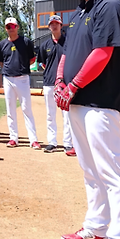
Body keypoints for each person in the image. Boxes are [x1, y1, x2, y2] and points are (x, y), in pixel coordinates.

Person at [56, 0, 120, 239]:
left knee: (110, 172)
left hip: (100, 102)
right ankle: (96, 227)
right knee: (90, 170)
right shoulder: (79, 11)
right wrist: (61, 80)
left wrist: (73, 85)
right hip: (78, 101)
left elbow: (102, 52)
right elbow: (67, 52)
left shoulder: (109, 6)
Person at [0, 17, 40, 149]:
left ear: (17, 27)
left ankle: (33, 140)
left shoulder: (26, 42)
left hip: (22, 78)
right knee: (10, 110)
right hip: (8, 78)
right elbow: (1, 62)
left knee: (26, 109)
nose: (11, 28)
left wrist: (21, 67)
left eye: (13, 26)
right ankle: (13, 138)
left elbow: (32, 59)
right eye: (8, 26)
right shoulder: (2, 44)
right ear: (6, 28)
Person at [37, 15, 74, 155]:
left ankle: (68, 143)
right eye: (52, 24)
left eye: (56, 23)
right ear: (49, 26)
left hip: (65, 84)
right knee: (50, 114)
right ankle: (52, 142)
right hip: (49, 83)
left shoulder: (69, 42)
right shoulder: (44, 45)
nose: (54, 26)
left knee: (67, 115)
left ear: (61, 25)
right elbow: (43, 63)